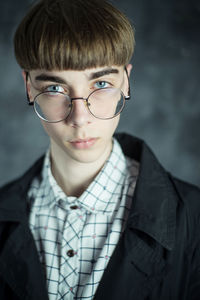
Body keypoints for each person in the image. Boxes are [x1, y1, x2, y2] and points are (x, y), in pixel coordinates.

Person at [0, 0, 200, 299]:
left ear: (127, 81)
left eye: (102, 83)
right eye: (55, 88)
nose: (79, 118)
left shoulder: (194, 218)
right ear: (29, 87)